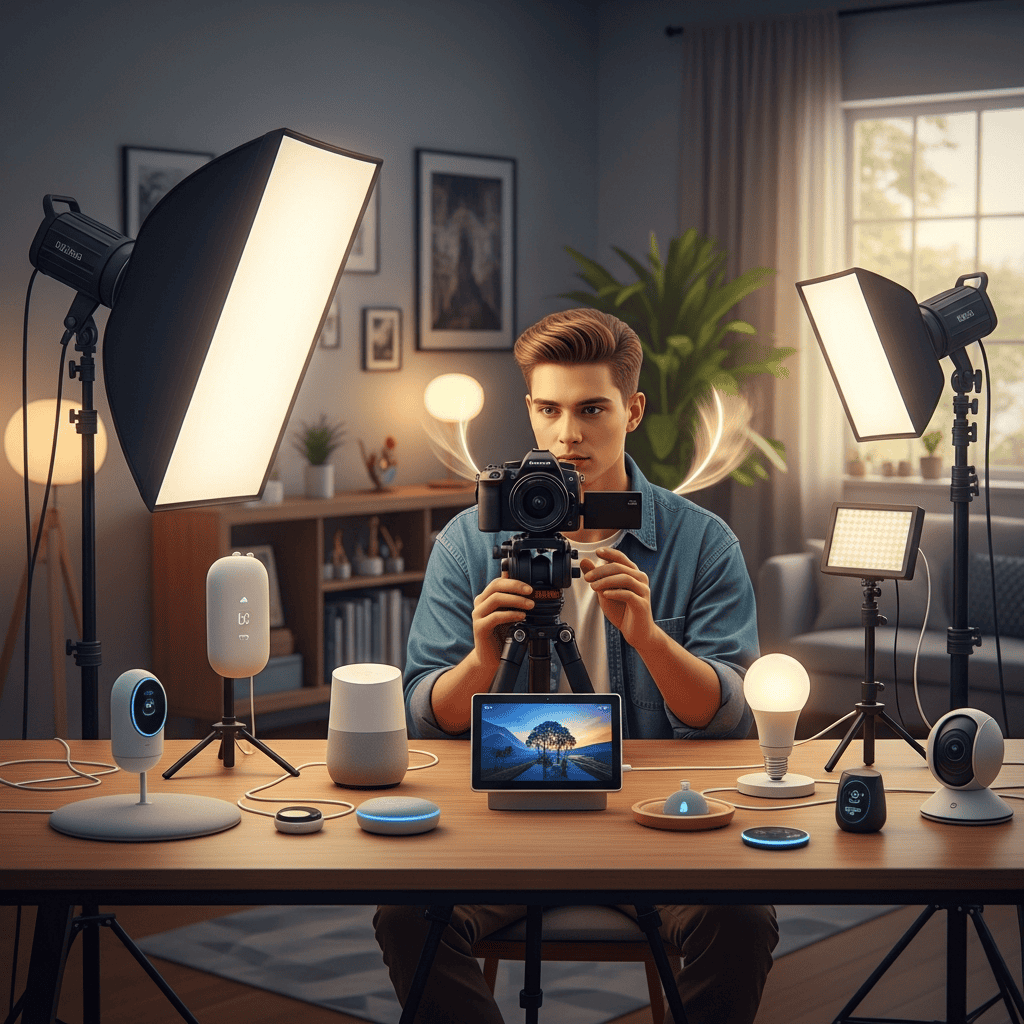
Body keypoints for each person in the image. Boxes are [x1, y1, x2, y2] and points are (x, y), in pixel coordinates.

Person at [374, 308, 778, 1024]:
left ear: (633, 409)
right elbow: (419, 713)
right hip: (501, 822)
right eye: (549, 409)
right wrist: (481, 659)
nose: (569, 434)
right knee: (407, 913)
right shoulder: (469, 540)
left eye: (593, 409)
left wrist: (650, 638)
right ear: (529, 408)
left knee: (742, 917)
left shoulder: (700, 541)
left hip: (648, 820)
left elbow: (732, 716)